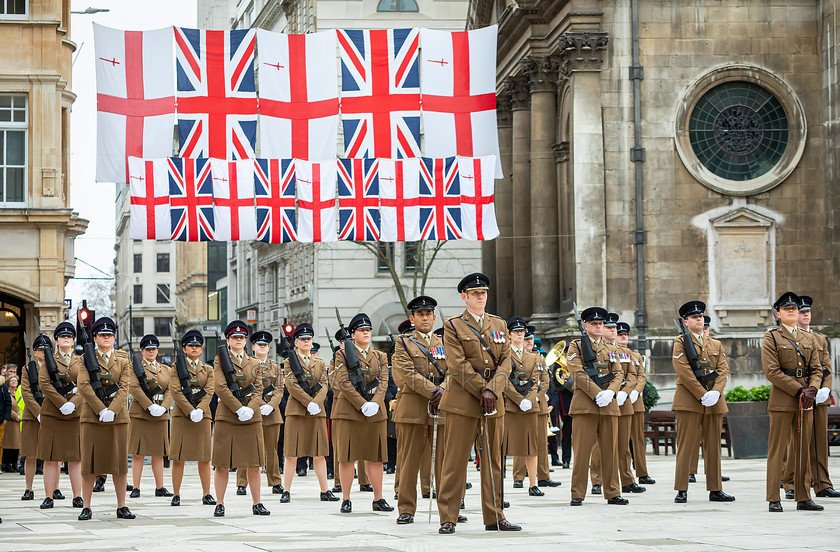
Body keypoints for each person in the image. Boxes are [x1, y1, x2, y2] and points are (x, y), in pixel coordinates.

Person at [437, 273, 520, 533]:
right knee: (455, 461)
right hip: (463, 398)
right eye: (474, 293)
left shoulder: (499, 324)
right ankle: (449, 517)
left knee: (494, 460)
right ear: (464, 297)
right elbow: (456, 364)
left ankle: (495, 515)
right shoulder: (453, 325)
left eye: (483, 292)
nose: (480, 296)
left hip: (493, 400)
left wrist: (493, 391)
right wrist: (482, 390)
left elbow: (507, 361)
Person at [392, 295, 452, 524]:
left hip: (442, 407)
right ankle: (406, 508)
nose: (425, 317)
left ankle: (448, 509)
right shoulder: (403, 342)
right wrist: (433, 391)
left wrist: (443, 390)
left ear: (434, 318)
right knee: (409, 461)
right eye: (420, 314)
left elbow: (454, 371)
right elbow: (406, 373)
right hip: (413, 407)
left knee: (445, 462)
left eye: (428, 314)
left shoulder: (445, 343)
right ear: (412, 318)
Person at [763, 292, 826, 512]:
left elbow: (817, 369)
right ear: (778, 313)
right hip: (783, 399)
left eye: (794, 308)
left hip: (806, 400)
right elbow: (771, 371)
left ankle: (803, 496)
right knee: (778, 450)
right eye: (787, 308)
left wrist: (813, 388)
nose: (792, 311)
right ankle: (773, 497)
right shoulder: (771, 337)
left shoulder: (809, 338)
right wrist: (799, 388)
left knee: (803, 449)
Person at [671, 301, 734, 504]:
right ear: (686, 322)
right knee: (686, 445)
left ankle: (715, 488)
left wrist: (716, 392)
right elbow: (683, 371)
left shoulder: (715, 344)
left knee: (713, 446)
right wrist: (701, 393)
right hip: (689, 400)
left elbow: (723, 370)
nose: (699, 319)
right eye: (694, 317)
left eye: (701, 317)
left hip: (714, 401)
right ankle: (682, 489)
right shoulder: (680, 342)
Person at [332, 313, 393, 514]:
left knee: (375, 456)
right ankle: (346, 498)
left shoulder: (380, 356)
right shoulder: (341, 355)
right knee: (347, 457)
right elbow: (343, 382)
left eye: (368, 330)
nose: (366, 333)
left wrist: (375, 403)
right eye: (361, 330)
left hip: (375, 412)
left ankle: (378, 498)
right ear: (352, 334)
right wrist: (361, 404)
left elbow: (384, 381)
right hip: (349, 411)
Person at [567, 306, 627, 507]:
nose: (599, 326)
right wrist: (597, 392)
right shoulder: (576, 347)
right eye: (594, 323)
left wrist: (611, 392)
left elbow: (618, 373)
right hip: (585, 405)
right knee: (582, 452)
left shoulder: (611, 349)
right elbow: (577, 372)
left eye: (601, 323)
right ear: (585, 326)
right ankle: (577, 493)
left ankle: (612, 492)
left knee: (610, 451)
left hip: (608, 405)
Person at [77, 317, 135, 521]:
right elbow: (83, 386)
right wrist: (101, 409)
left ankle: (122, 506)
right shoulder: (85, 359)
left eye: (109, 335)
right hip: (93, 417)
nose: (106, 338)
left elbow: (125, 387)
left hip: (117, 418)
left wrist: (112, 410)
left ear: (114, 337)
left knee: (119, 464)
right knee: (89, 465)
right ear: (95, 338)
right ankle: (86, 506)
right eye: (102, 335)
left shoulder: (123, 360)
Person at [212, 320, 269, 517]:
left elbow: (259, 388)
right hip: (227, 416)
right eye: (235, 337)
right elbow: (220, 387)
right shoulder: (220, 360)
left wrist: (250, 409)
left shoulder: (254, 362)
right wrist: (238, 408)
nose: (238, 340)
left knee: (254, 462)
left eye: (242, 337)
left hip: (251, 418)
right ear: (228, 340)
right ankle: (219, 503)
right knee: (222, 463)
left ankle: (257, 502)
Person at [280, 323, 336, 502]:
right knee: (291, 453)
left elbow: (325, 384)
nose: (306, 342)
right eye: (302, 340)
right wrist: (308, 402)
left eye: (309, 339)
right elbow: (292, 386)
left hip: (316, 412)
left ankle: (324, 491)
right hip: (296, 411)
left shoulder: (319, 363)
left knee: (319, 452)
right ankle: (286, 490)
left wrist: (316, 403)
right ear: (296, 342)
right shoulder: (289, 361)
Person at [37, 323, 84, 509]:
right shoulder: (49, 360)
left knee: (75, 457)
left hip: (74, 413)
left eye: (69, 337)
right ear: (56, 340)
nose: (66, 339)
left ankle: (77, 496)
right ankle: (49, 496)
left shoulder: (80, 361)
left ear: (73, 341)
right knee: (51, 457)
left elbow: (84, 384)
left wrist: (73, 403)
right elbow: (45, 384)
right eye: (62, 336)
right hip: (53, 413)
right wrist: (61, 403)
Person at [169, 330, 216, 506]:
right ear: (184, 348)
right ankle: (176, 493)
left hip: (202, 416)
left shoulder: (208, 369)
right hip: (182, 415)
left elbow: (210, 391)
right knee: (178, 456)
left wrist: (200, 409)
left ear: (201, 349)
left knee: (204, 456)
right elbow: (175, 391)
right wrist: (190, 410)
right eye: (191, 346)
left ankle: (206, 493)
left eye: (197, 346)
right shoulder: (176, 367)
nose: (194, 348)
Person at [235, 330, 284, 496]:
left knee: (272, 450)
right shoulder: (247, 365)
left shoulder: (276, 367)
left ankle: (275, 481)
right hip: (252, 410)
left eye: (265, 345)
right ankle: (242, 483)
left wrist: (270, 405)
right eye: (259, 345)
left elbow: (279, 389)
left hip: (271, 413)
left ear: (269, 348)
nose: (262, 347)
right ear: (253, 347)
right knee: (247, 449)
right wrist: (261, 404)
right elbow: (245, 388)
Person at [513, 325, 559, 488]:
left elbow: (546, 381)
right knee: (521, 441)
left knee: (540, 441)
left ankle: (543, 476)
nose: (529, 342)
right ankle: (518, 477)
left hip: (540, 403)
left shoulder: (539, 359)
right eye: (526, 339)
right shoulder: (516, 357)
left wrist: (539, 397)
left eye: (531, 339)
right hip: (523, 402)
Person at [128, 334, 173, 499]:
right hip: (141, 413)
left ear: (157, 350)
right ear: (142, 351)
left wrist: (164, 407)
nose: (151, 352)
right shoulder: (135, 368)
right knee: (138, 452)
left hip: (160, 413)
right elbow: (134, 388)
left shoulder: (166, 369)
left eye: (153, 349)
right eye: (148, 349)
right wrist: (149, 406)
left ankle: (159, 487)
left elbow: (170, 389)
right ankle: (136, 487)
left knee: (158, 452)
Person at [505, 317, 545, 497]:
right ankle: (501, 484)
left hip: (530, 405)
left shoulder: (533, 357)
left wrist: (530, 399)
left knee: (531, 446)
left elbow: (536, 381)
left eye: (522, 332)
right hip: (510, 406)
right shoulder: (504, 355)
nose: (520, 335)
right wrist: (517, 400)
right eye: (516, 332)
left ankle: (533, 483)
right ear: (509, 335)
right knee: (504, 445)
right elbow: (503, 381)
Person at [618, 322, 655, 486]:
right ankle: (623, 475)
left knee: (638, 439)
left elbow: (641, 376)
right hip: (619, 400)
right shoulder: (611, 353)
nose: (624, 337)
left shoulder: (635, 356)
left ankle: (642, 472)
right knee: (621, 440)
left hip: (635, 401)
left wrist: (635, 391)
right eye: (620, 334)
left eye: (625, 334)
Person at [19, 340, 43, 502]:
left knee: (52, 457)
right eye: (39, 350)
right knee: (30, 455)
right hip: (31, 415)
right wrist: (38, 412)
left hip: (50, 414)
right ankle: (29, 488)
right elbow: (26, 393)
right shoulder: (27, 369)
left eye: (44, 350)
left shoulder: (54, 368)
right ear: (34, 352)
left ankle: (54, 489)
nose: (42, 353)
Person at [2, 374, 21, 474]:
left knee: (17, 445)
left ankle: (14, 464)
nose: (14, 382)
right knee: (9, 444)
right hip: (10, 422)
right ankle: (7, 464)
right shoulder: (7, 393)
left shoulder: (19, 393)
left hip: (19, 423)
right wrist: (15, 416)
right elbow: (7, 406)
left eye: (16, 380)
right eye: (12, 380)